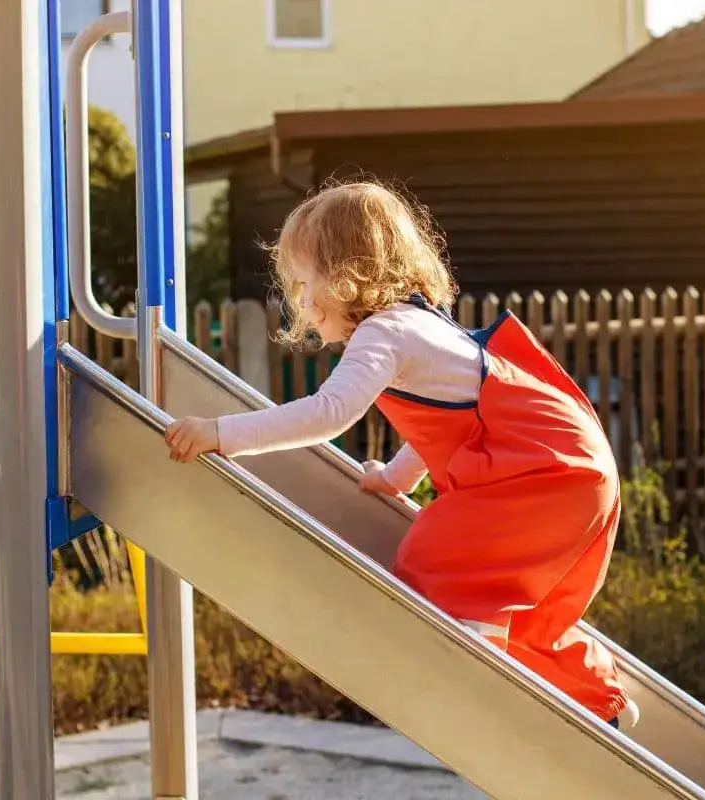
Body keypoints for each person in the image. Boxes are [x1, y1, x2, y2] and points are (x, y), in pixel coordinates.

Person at [163, 179, 639, 730]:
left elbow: (329, 413)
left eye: (305, 282)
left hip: (543, 469)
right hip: (573, 465)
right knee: (521, 614)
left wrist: (219, 432)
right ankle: (603, 698)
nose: (300, 300)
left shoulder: (384, 332)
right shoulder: (424, 325)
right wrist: (396, 477)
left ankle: (472, 666)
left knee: (431, 559)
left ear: (346, 273)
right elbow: (461, 418)